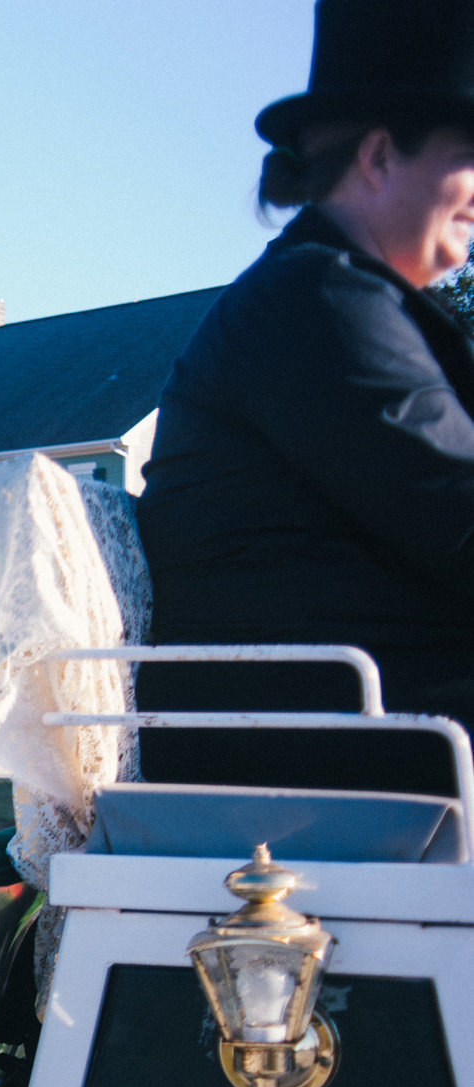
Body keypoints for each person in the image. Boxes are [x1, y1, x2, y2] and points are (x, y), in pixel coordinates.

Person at [137, 0, 474, 795]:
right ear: (382, 154)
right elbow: (458, 512)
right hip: (316, 731)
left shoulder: (339, 296)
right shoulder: (318, 303)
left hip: (354, 708)